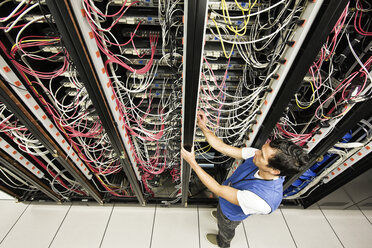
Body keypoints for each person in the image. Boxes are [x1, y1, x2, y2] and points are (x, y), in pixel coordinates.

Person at [181, 111, 309, 248]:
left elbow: (218, 189)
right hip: (226, 201)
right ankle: (220, 213)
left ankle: (223, 243)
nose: (256, 152)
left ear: (274, 171)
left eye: (262, 155)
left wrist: (192, 162)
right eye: (261, 149)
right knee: (221, 210)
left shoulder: (264, 200)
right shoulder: (258, 157)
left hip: (231, 214)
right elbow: (222, 147)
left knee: (226, 228)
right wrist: (203, 127)